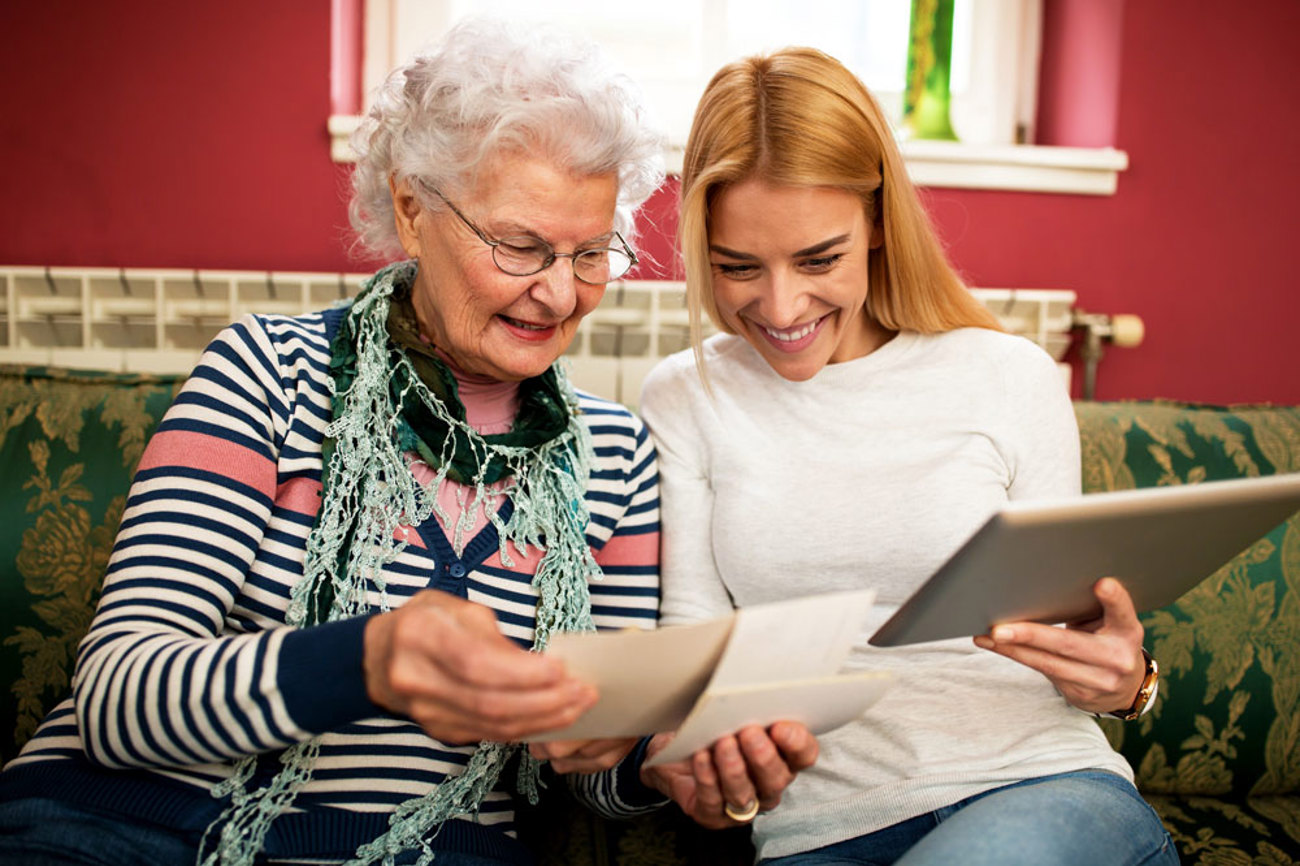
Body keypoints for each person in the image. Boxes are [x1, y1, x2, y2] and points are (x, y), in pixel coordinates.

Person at [0, 18, 679, 866]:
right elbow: (117, 701)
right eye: (519, 245)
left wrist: (667, 760)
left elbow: (596, 766)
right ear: (412, 207)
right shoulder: (267, 373)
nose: (557, 293)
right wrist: (366, 658)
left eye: (590, 254)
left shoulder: (616, 457)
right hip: (124, 830)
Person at [638, 46, 1180, 865]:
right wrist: (690, 756)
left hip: (1039, 789)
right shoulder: (686, 397)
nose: (781, 307)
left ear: (880, 222)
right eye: (737, 268)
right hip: (817, 834)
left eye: (819, 259)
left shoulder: (1010, 377)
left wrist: (1122, 681)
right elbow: (695, 644)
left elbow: (1070, 637)